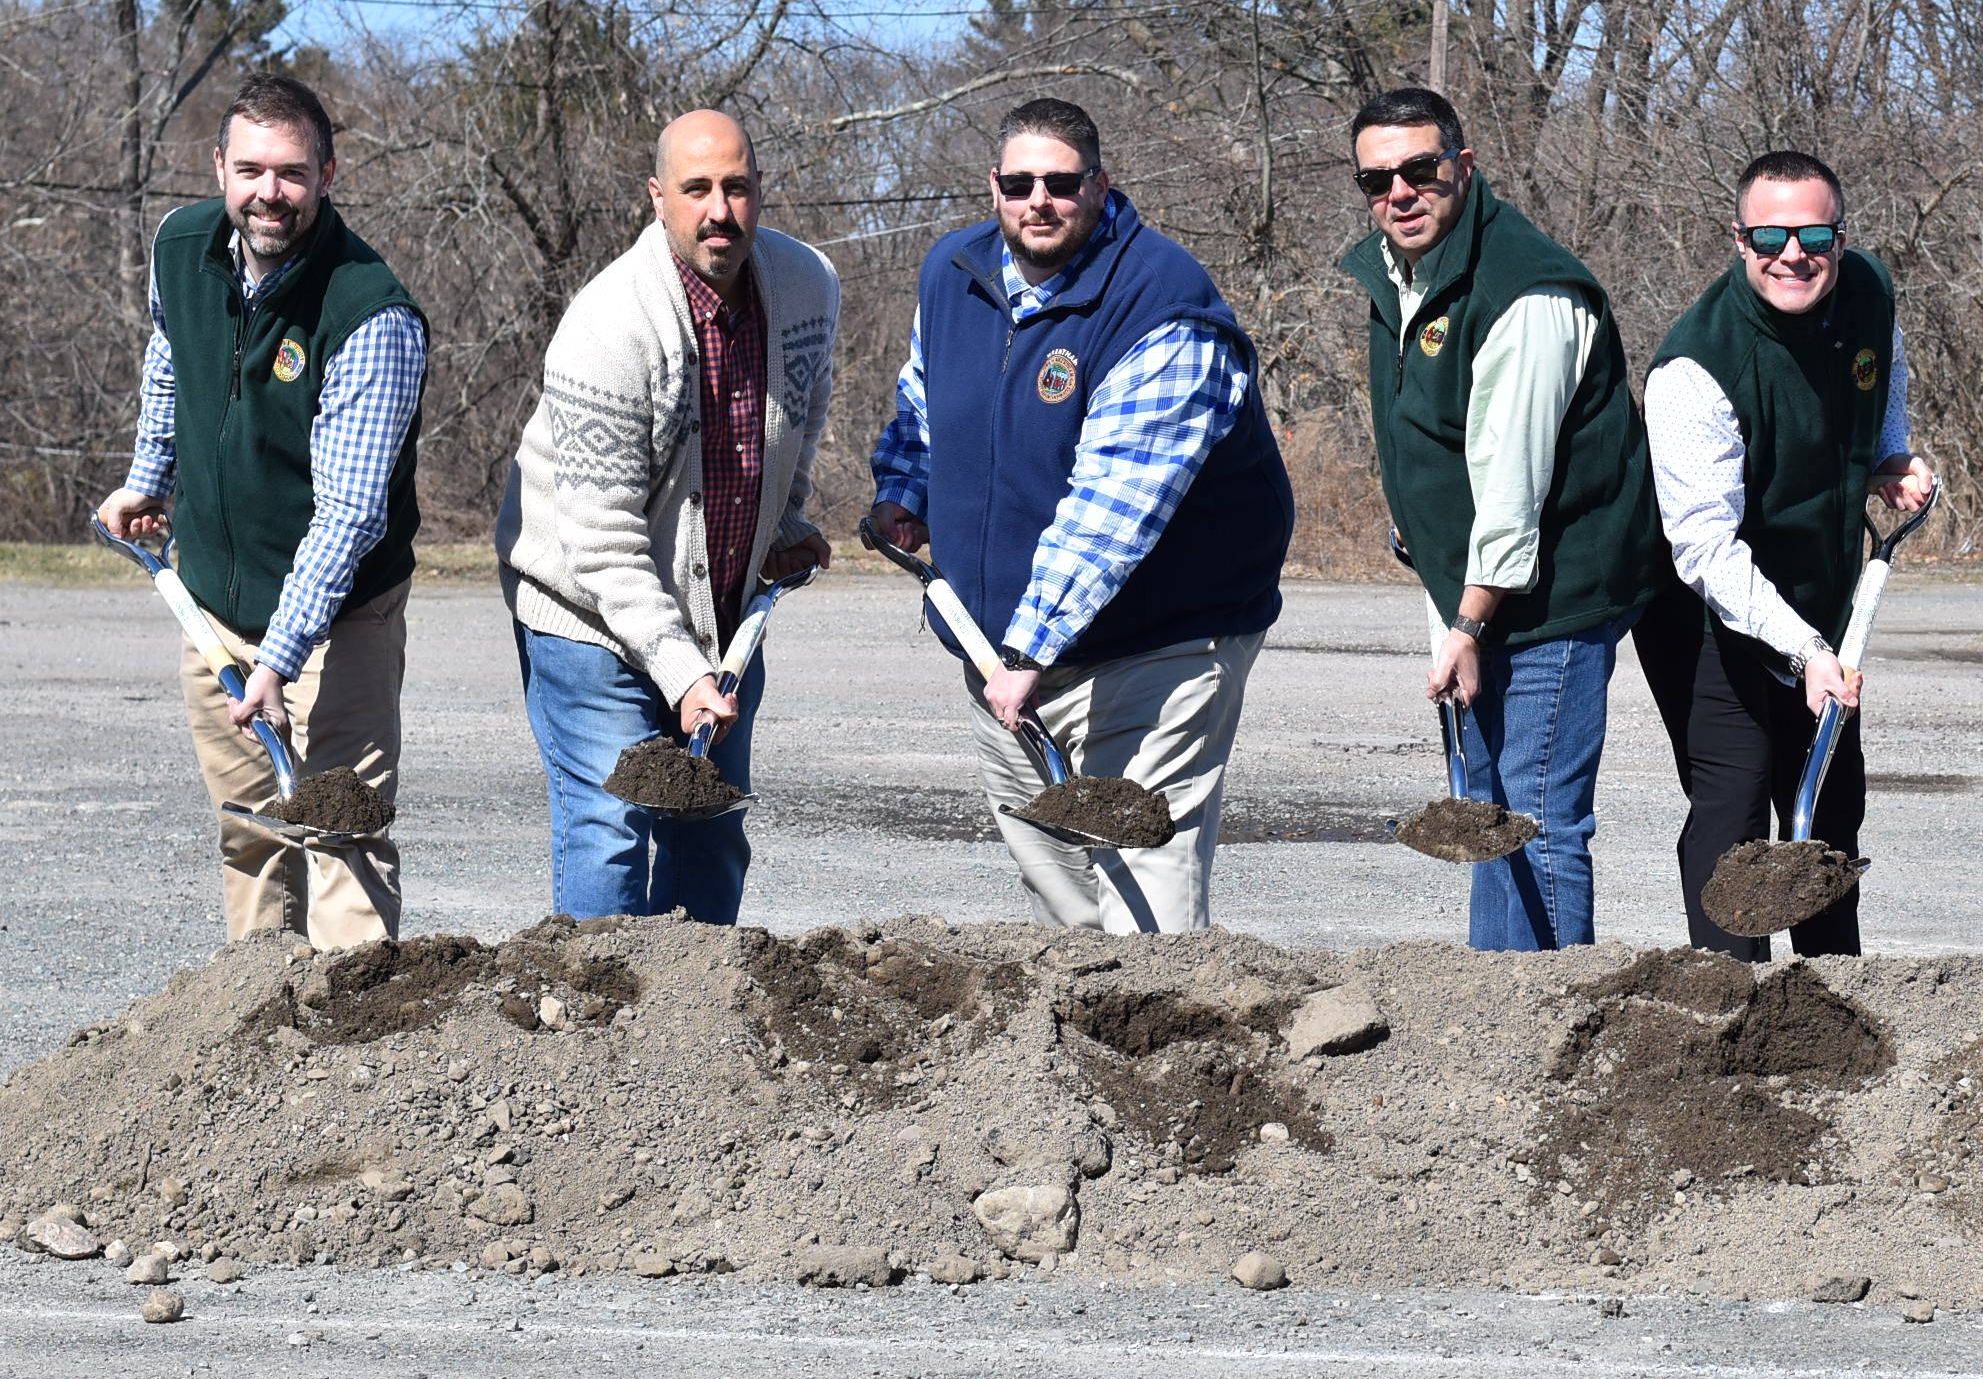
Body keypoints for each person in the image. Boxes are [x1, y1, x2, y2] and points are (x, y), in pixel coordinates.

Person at [868, 97, 1291, 934]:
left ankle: (1179, 1045)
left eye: (1061, 183)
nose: (1039, 200)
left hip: (1156, 649)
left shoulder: (1163, 305)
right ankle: (1091, 1053)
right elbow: (923, 404)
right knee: (1058, 879)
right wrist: (902, 492)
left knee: (1144, 889)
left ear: (1099, 187)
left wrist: (1027, 648)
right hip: (1004, 655)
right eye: (1019, 182)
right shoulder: (954, 274)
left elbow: (1115, 505)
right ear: (992, 186)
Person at [96, 71, 429, 949]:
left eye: (290, 172)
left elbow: (351, 515)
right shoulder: (184, 247)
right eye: (250, 170)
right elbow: (170, 362)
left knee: (341, 833)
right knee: (249, 835)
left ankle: (359, 1057)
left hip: (336, 624)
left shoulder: (368, 313)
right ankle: (254, 1044)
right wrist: (147, 477)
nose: (267, 194)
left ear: (327, 173)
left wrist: (280, 661)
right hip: (215, 607)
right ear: (218, 168)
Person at [1335, 87, 1666, 950]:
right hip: (1478, 594)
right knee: (1487, 807)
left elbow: (1512, 482)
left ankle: (1555, 1017)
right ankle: (1493, 1001)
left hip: (1553, 593)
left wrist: (1467, 621)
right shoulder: (1400, 273)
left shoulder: (1525, 290)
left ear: (1463, 167)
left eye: (1419, 169)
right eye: (1376, 179)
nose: (1398, 192)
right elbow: (1431, 443)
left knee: (1537, 810)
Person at [497, 111, 838, 924]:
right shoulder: (608, 326)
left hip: (718, 612)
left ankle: (696, 1026)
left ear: (760, 191)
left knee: (710, 823)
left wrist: (785, 524)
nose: (719, 210)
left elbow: (803, 417)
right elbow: (601, 541)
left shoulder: (807, 285)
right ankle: (595, 1028)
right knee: (613, 827)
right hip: (586, 614)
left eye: (738, 187)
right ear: (658, 197)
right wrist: (682, 675)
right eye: (697, 190)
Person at [1640, 151, 1934, 962]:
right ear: (1739, 239)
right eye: (1769, 234)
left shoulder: (1867, 291)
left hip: (1821, 591)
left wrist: (1891, 455)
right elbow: (1704, 545)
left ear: (1840, 238)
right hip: (1701, 608)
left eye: (1814, 233)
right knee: (1733, 807)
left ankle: (1834, 994)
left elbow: (1885, 367)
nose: (1792, 252)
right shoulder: (1697, 367)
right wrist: (1803, 648)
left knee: (1830, 808)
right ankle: (1727, 993)